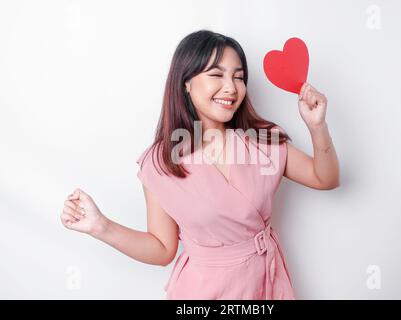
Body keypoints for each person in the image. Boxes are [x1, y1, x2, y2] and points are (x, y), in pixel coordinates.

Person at [60, 30, 340, 299]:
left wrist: (317, 127)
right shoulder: (162, 162)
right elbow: (162, 249)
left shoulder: (263, 141)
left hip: (265, 284)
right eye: (217, 74)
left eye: (239, 77)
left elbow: (325, 178)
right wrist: (101, 226)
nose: (231, 87)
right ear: (186, 82)